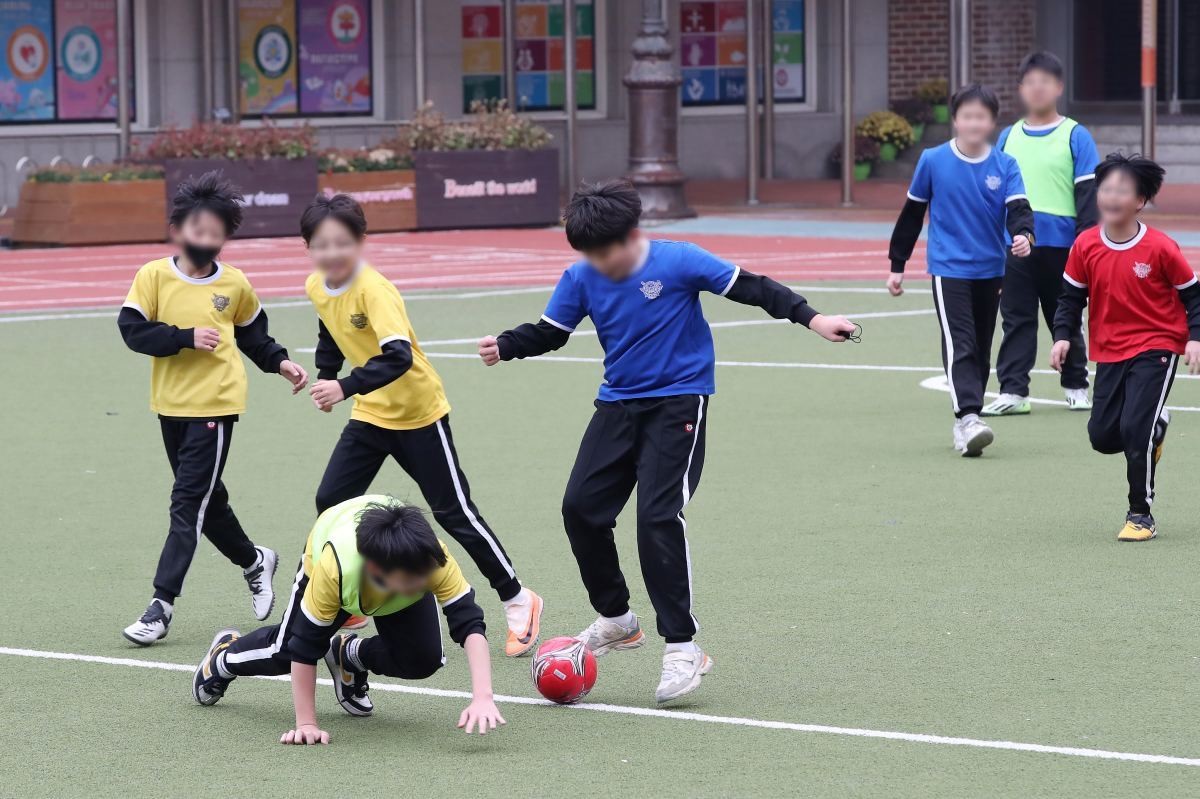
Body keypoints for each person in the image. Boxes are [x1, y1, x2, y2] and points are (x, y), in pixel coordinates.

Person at [477, 179, 857, 703]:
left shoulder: (679, 260)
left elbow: (753, 285)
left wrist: (813, 318)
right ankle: (616, 618)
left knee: (658, 516)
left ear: (631, 234)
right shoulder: (582, 274)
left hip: (679, 402)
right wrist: (507, 344)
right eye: (589, 254)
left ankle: (682, 646)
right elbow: (552, 330)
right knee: (580, 508)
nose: (599, 263)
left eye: (605, 252)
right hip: (618, 403)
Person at [299, 194, 543, 657]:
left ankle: (517, 597)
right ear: (308, 247)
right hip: (371, 414)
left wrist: (344, 386)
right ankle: (351, 598)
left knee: (454, 512)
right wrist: (327, 376)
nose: (331, 252)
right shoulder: (316, 285)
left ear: (360, 241)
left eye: (341, 242)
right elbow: (329, 331)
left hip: (417, 414)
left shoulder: (374, 289)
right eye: (320, 244)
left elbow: (398, 356)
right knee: (331, 500)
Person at [117, 171, 308, 646]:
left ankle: (160, 607)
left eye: (215, 231)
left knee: (186, 504)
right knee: (208, 502)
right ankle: (254, 560)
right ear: (180, 229)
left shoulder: (235, 284)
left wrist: (280, 362)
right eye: (197, 229)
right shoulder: (153, 276)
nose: (206, 238)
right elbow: (132, 331)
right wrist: (183, 338)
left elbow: (254, 335)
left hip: (216, 406)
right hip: (170, 407)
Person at [192, 495, 506, 744]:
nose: (422, 585)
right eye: (413, 581)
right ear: (376, 571)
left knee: (422, 660)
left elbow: (469, 625)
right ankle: (223, 657)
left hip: (386, 562)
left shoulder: (430, 560)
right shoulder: (335, 569)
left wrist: (482, 697)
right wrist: (306, 724)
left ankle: (347, 655)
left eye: (425, 577)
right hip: (329, 557)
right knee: (285, 652)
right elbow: (305, 648)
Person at [1051, 154, 1200, 542]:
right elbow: (1070, 298)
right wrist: (1062, 335)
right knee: (1102, 437)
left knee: (1135, 431)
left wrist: (1194, 338)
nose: (1113, 195)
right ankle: (1158, 426)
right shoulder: (1085, 245)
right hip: (1110, 350)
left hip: (1158, 345)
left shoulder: (1160, 247)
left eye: (1123, 189)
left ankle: (1140, 513)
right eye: (1107, 188)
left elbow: (1193, 297)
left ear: (1140, 201)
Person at [887, 83, 1036, 457]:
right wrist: (897, 265)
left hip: (991, 269)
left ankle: (964, 424)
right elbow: (911, 215)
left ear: (991, 122)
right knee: (961, 341)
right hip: (948, 267)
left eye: (981, 116)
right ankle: (969, 415)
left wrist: (1024, 236)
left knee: (982, 346)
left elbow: (1019, 209)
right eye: (966, 115)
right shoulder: (933, 160)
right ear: (955, 120)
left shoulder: (1005, 164)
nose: (973, 122)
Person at [983, 51, 1100, 416]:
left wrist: (1086, 245)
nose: (1037, 88)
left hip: (1064, 247)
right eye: (1030, 82)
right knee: (1016, 317)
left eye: (1045, 81)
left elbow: (1088, 196)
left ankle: (1076, 384)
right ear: (1020, 89)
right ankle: (1014, 391)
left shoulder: (1075, 135)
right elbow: (994, 195)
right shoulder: (1007, 136)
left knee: (1063, 317)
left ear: (1059, 88)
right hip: (1016, 246)